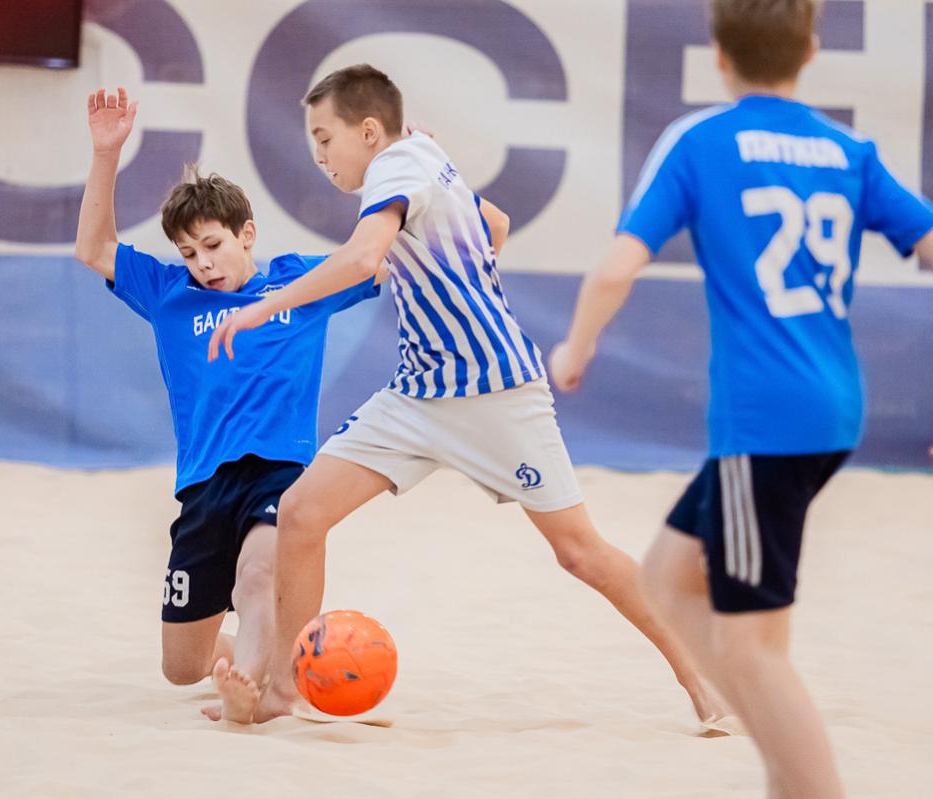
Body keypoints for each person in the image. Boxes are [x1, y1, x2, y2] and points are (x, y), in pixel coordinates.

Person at [548, 2, 933, 796]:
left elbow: (616, 266)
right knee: (668, 577)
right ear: (810, 49)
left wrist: (573, 350)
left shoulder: (699, 140)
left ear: (717, 54)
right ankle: (789, 773)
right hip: (828, 405)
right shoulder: (845, 148)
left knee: (754, 649)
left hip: (766, 420)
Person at [208, 65, 724, 725]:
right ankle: (283, 691)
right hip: (418, 392)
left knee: (578, 551)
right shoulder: (422, 153)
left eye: (324, 137)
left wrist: (263, 306)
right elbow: (496, 225)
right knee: (301, 513)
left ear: (369, 131)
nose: (317, 154)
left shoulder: (396, 166)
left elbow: (363, 258)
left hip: (496, 393)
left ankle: (700, 677)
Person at [73, 87, 381, 723]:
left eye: (213, 245)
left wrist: (416, 178)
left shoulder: (299, 281)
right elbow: (93, 250)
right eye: (190, 253)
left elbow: (381, 258)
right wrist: (106, 154)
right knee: (181, 668)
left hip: (278, 469)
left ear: (247, 234)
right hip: (203, 486)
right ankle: (256, 658)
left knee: (260, 574)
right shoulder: (169, 292)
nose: (203, 264)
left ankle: (255, 689)